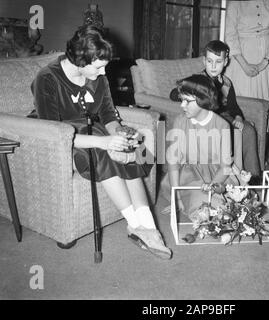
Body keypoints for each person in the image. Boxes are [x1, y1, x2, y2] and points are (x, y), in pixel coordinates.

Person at [31, 25, 172, 260]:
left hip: (95, 130)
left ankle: (149, 228)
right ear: (80, 60)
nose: (105, 72)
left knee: (131, 148)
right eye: (99, 66)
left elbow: (108, 114)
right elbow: (52, 132)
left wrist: (118, 135)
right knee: (104, 152)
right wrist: (104, 143)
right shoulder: (47, 79)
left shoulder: (99, 77)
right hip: (63, 139)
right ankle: (136, 225)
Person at [170, 40, 261, 183]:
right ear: (204, 61)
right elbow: (174, 94)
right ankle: (229, 172)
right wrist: (190, 92)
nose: (213, 66)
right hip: (208, 119)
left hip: (226, 118)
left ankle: (253, 176)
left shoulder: (227, 82)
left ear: (225, 62)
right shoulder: (198, 80)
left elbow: (234, 106)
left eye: (218, 62)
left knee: (248, 130)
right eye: (210, 61)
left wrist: (238, 116)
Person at [162, 74, 249, 215]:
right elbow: (173, 164)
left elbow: (225, 167)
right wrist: (176, 197)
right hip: (190, 174)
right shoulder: (180, 121)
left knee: (216, 205)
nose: (181, 105)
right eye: (181, 100)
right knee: (199, 203)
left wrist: (211, 188)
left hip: (218, 175)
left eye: (187, 101)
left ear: (203, 101)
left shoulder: (222, 125)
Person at [225, 0, 269, 132]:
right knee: (244, 106)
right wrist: (245, 65)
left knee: (264, 106)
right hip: (241, 59)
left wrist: (264, 63)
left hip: (268, 58)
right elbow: (230, 36)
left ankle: (261, 150)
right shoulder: (235, 3)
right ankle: (242, 147)